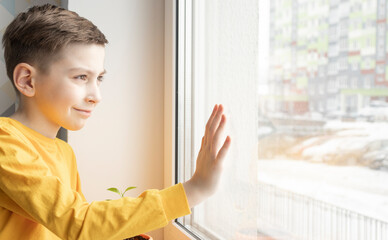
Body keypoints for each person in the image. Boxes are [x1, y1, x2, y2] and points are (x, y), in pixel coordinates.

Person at [0, 4, 231, 240]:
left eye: (98, 78)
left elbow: (72, 231)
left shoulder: (63, 151)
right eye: (81, 77)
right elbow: (78, 222)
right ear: (27, 80)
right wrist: (194, 190)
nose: (96, 96)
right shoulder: (4, 144)